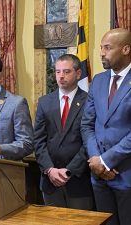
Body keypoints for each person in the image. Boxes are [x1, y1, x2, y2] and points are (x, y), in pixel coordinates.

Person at [81, 28, 131, 225]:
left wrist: (106, 160)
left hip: (126, 174)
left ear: (126, 49)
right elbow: (87, 124)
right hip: (99, 176)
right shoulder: (99, 81)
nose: (102, 52)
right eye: (101, 48)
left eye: (108, 48)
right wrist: (97, 162)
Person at [34, 54, 94, 210]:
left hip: (78, 180)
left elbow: (90, 140)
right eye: (58, 71)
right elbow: (38, 140)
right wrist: (49, 169)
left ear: (78, 73)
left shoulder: (89, 101)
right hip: (50, 180)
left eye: (66, 71)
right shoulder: (44, 102)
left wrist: (69, 171)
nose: (61, 76)